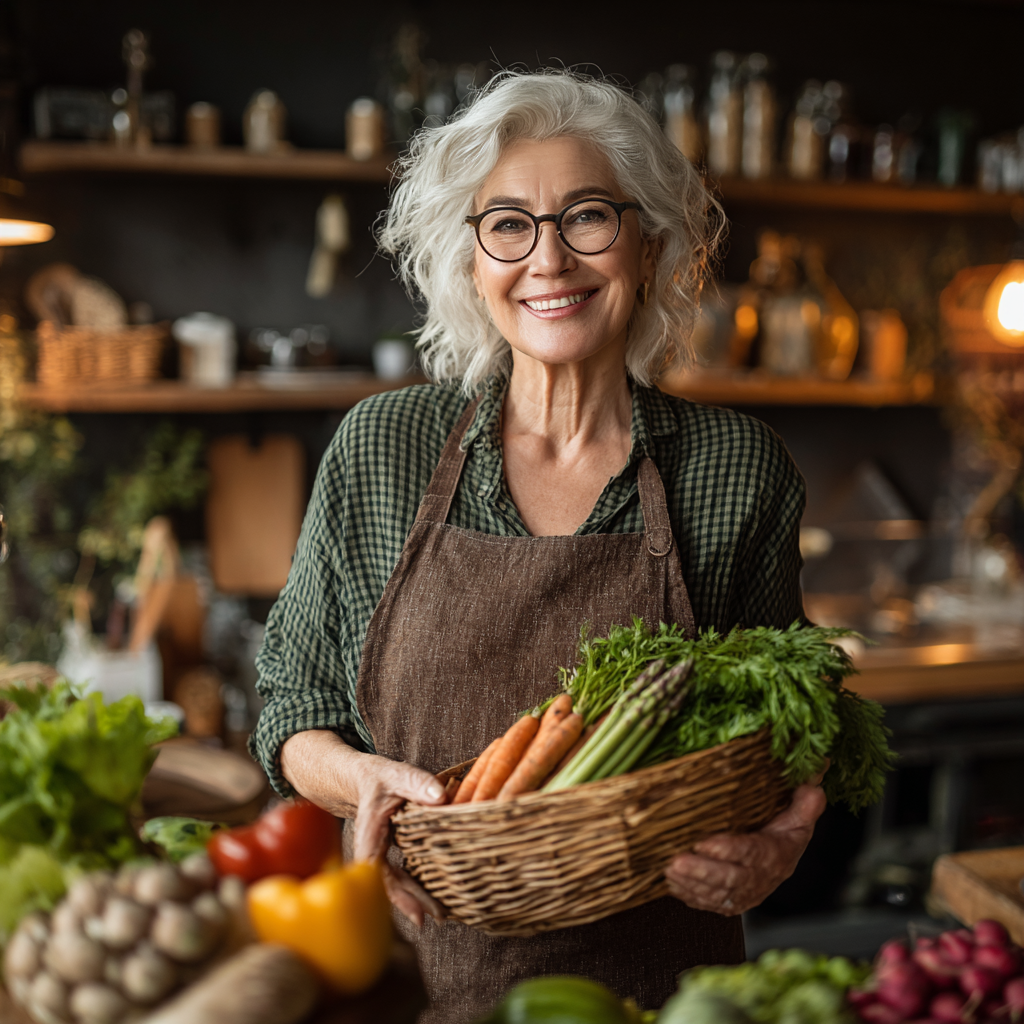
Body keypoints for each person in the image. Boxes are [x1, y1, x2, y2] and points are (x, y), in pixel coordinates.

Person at [250, 70, 826, 1024]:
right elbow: (291, 707)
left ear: (648, 245)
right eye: (509, 225)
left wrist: (780, 845)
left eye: (587, 217)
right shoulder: (383, 446)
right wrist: (362, 782)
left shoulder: (736, 467)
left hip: (661, 994)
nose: (548, 260)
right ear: (471, 260)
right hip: (410, 983)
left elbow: (793, 731)